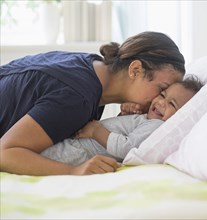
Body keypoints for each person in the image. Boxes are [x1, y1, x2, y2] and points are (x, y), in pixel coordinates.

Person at [0, 31, 185, 176]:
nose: (158, 101)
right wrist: (74, 171)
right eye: (161, 90)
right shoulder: (78, 97)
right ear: (135, 69)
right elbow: (5, 153)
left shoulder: (93, 68)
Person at [41, 76, 203, 167]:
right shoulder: (149, 119)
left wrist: (96, 130)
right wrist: (123, 116)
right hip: (79, 145)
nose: (161, 103)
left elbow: (126, 147)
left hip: (80, 151)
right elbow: (120, 133)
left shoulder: (157, 125)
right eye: (162, 95)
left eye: (172, 104)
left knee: (43, 156)